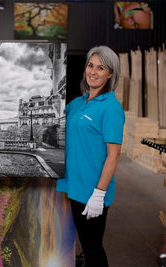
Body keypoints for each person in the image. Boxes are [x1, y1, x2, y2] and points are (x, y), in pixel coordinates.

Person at [56, 45, 125, 267]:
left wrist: (99, 194)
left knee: (93, 248)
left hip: (91, 190)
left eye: (101, 68)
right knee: (84, 246)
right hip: (72, 187)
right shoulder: (77, 104)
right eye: (90, 65)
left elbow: (113, 155)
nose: (93, 72)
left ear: (110, 73)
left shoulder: (111, 108)